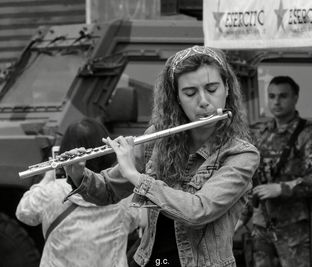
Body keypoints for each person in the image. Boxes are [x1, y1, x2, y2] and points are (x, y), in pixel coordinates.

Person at [62, 45, 260, 267]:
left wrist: (134, 175)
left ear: (227, 89)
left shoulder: (241, 154)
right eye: (190, 93)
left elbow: (198, 211)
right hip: (149, 261)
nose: (203, 101)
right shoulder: (157, 137)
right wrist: (79, 173)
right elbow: (108, 191)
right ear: (176, 98)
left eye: (212, 89)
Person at [16, 118, 143, 267]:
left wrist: (48, 177)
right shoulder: (123, 194)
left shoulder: (51, 192)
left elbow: (24, 213)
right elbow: (136, 223)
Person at [236, 76, 312, 267]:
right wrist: (242, 215)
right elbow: (252, 180)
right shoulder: (261, 134)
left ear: (295, 98)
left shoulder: (308, 134)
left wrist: (283, 188)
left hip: (292, 225)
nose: (276, 102)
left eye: (283, 96)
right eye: (271, 96)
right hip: (261, 223)